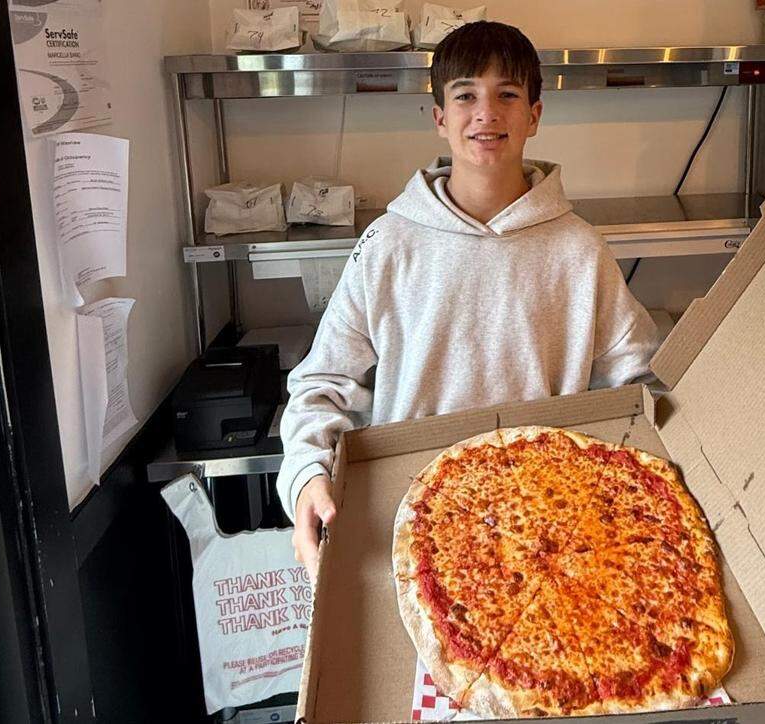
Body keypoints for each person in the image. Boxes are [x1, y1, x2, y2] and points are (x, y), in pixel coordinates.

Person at [279, 21, 659, 579]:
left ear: (534, 114)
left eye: (507, 94)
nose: (487, 113)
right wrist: (308, 474)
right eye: (465, 96)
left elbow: (637, 389)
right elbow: (322, 385)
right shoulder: (388, 244)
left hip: (546, 530)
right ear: (439, 118)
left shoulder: (579, 249)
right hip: (408, 524)